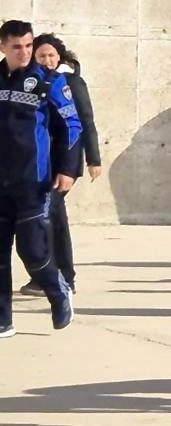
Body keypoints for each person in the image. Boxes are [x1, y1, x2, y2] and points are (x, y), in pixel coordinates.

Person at [0, 20, 81, 338]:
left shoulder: (49, 80)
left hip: (34, 181)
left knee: (33, 251)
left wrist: (67, 169)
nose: (24, 53)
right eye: (17, 46)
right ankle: (3, 319)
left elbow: (72, 126)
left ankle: (58, 292)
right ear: (3, 46)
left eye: (29, 46)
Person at [17, 34, 101, 298]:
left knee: (53, 217)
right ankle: (44, 277)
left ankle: (64, 277)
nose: (47, 60)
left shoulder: (72, 83)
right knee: (38, 220)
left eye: (51, 55)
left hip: (63, 161)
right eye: (41, 56)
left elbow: (84, 122)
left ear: (60, 57)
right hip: (37, 162)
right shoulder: (30, 83)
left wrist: (93, 160)